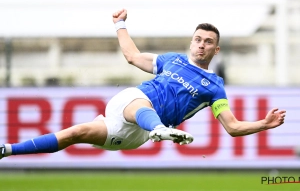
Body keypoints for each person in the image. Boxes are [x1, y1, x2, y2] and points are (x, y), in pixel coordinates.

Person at [0, 9, 286, 159]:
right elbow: (132, 56)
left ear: (216, 50)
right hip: (132, 111)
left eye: (208, 42)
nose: (201, 45)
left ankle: (159, 129)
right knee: (75, 132)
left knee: (138, 106)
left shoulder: (214, 87)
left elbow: (232, 127)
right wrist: (119, 24)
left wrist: (264, 123)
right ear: (191, 41)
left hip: (134, 135)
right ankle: (8, 150)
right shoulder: (172, 60)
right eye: (198, 39)